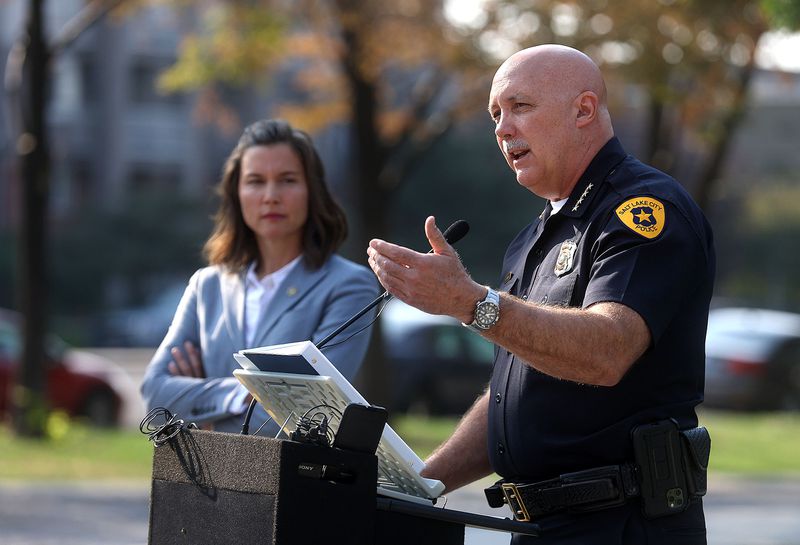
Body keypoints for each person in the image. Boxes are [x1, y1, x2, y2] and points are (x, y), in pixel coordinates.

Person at [367, 44, 715, 544]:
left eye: (520, 107)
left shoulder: (643, 209)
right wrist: (416, 484)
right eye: (495, 114)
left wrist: (471, 303)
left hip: (623, 524)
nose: (502, 129)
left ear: (584, 110)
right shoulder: (533, 238)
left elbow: (608, 350)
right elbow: (516, 395)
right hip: (540, 526)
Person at [141, 119, 378, 435]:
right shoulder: (207, 286)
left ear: (313, 190)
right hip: (202, 483)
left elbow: (311, 416)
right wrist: (247, 395)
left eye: (287, 180)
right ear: (236, 193)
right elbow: (155, 398)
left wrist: (200, 406)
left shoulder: (349, 286)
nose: (270, 196)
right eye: (255, 181)